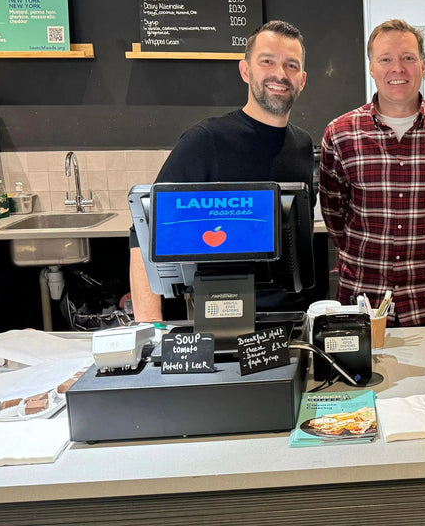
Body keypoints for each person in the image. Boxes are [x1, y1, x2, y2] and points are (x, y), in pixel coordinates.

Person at [129, 20, 313, 322]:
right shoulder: (205, 140)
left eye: (291, 65)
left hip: (295, 318)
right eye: (267, 61)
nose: (280, 74)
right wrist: (150, 330)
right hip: (222, 318)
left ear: (302, 80)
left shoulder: (302, 145)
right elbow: (144, 234)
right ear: (245, 70)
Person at [319, 19, 425, 327]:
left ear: (423, 65)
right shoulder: (340, 133)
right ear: (371, 67)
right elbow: (334, 213)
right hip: (363, 299)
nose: (398, 68)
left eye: (408, 58)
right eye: (386, 59)